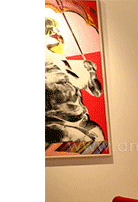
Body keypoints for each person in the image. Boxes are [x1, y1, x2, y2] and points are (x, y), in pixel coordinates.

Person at [45, 17, 105, 145]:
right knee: (86, 138)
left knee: (97, 133)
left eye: (58, 33)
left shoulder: (67, 63)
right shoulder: (50, 61)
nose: (58, 37)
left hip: (80, 120)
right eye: (52, 33)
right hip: (54, 123)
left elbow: (96, 91)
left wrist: (91, 73)